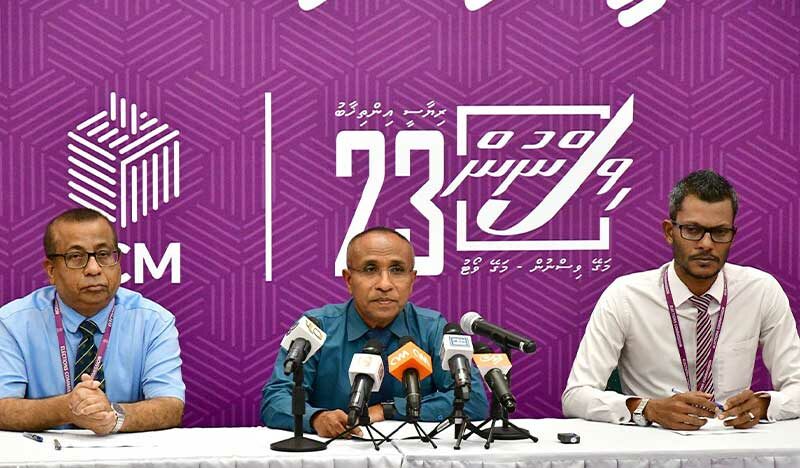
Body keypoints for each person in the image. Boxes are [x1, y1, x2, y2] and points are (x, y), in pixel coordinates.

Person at [562, 170, 800, 430]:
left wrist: (765, 405)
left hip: (734, 439)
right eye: (693, 230)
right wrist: (648, 409)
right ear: (669, 231)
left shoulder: (760, 291)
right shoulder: (626, 296)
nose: (706, 244)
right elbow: (576, 396)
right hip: (655, 442)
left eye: (720, 232)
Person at [261, 227, 489, 437]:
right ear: (349, 280)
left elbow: (473, 400)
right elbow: (275, 399)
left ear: (412, 280)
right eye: (370, 269)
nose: (384, 284)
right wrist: (316, 419)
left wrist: (387, 410)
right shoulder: (317, 327)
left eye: (397, 270)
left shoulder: (432, 328)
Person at [0, 208, 185, 434]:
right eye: (76, 257)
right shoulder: (12, 323)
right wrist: (66, 408)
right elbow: (2, 408)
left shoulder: (153, 321)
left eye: (104, 254)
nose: (94, 269)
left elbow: (170, 406)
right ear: (51, 270)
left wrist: (112, 415)